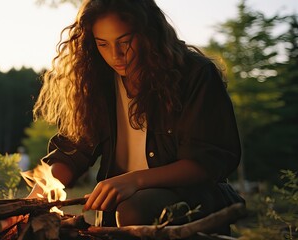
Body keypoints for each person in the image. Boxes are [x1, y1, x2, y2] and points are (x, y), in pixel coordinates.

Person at [28, 0, 244, 235]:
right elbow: (73, 149)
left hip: (189, 200)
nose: (115, 55)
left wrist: (135, 180)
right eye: (103, 44)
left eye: (125, 41)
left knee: (133, 208)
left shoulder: (195, 75)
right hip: (119, 212)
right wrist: (43, 192)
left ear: (149, 33)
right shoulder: (98, 80)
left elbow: (207, 162)